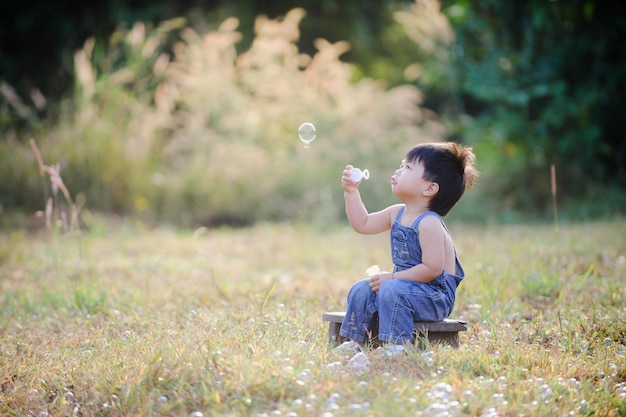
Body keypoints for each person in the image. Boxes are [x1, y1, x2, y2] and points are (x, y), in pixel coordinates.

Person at [339, 142, 479, 355]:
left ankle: (397, 347)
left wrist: (393, 278)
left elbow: (432, 269)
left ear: (429, 188)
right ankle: (355, 342)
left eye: (408, 167)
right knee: (362, 288)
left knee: (391, 289)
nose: (399, 170)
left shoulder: (429, 223)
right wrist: (351, 192)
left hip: (434, 296)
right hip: (404, 289)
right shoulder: (397, 213)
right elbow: (363, 223)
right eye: (401, 165)